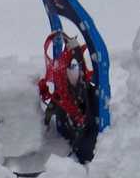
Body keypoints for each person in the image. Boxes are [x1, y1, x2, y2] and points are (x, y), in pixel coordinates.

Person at [36, 30, 99, 163]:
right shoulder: (64, 90)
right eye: (69, 67)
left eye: (73, 67)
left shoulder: (89, 95)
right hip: (69, 136)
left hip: (85, 150)